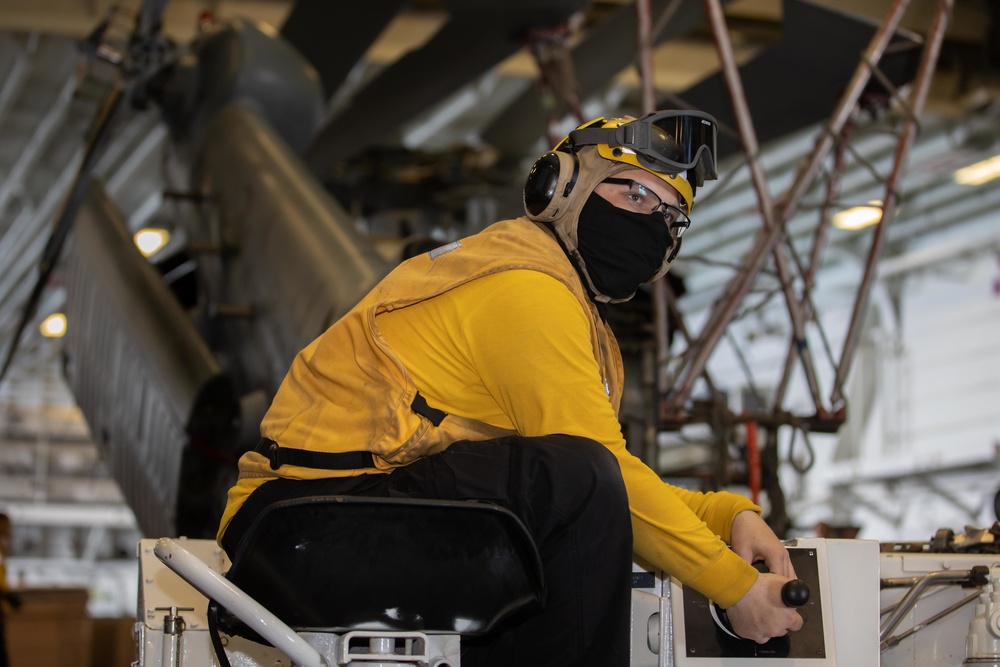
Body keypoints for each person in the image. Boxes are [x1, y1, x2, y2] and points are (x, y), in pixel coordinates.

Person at [217, 109, 803, 666]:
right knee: (574, 476)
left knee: (573, 483)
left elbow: (613, 487)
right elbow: (602, 479)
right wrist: (735, 589)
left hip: (335, 523)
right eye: (634, 193)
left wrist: (726, 516)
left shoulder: (555, 296)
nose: (650, 222)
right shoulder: (525, 291)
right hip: (302, 528)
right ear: (560, 188)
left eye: (669, 217)